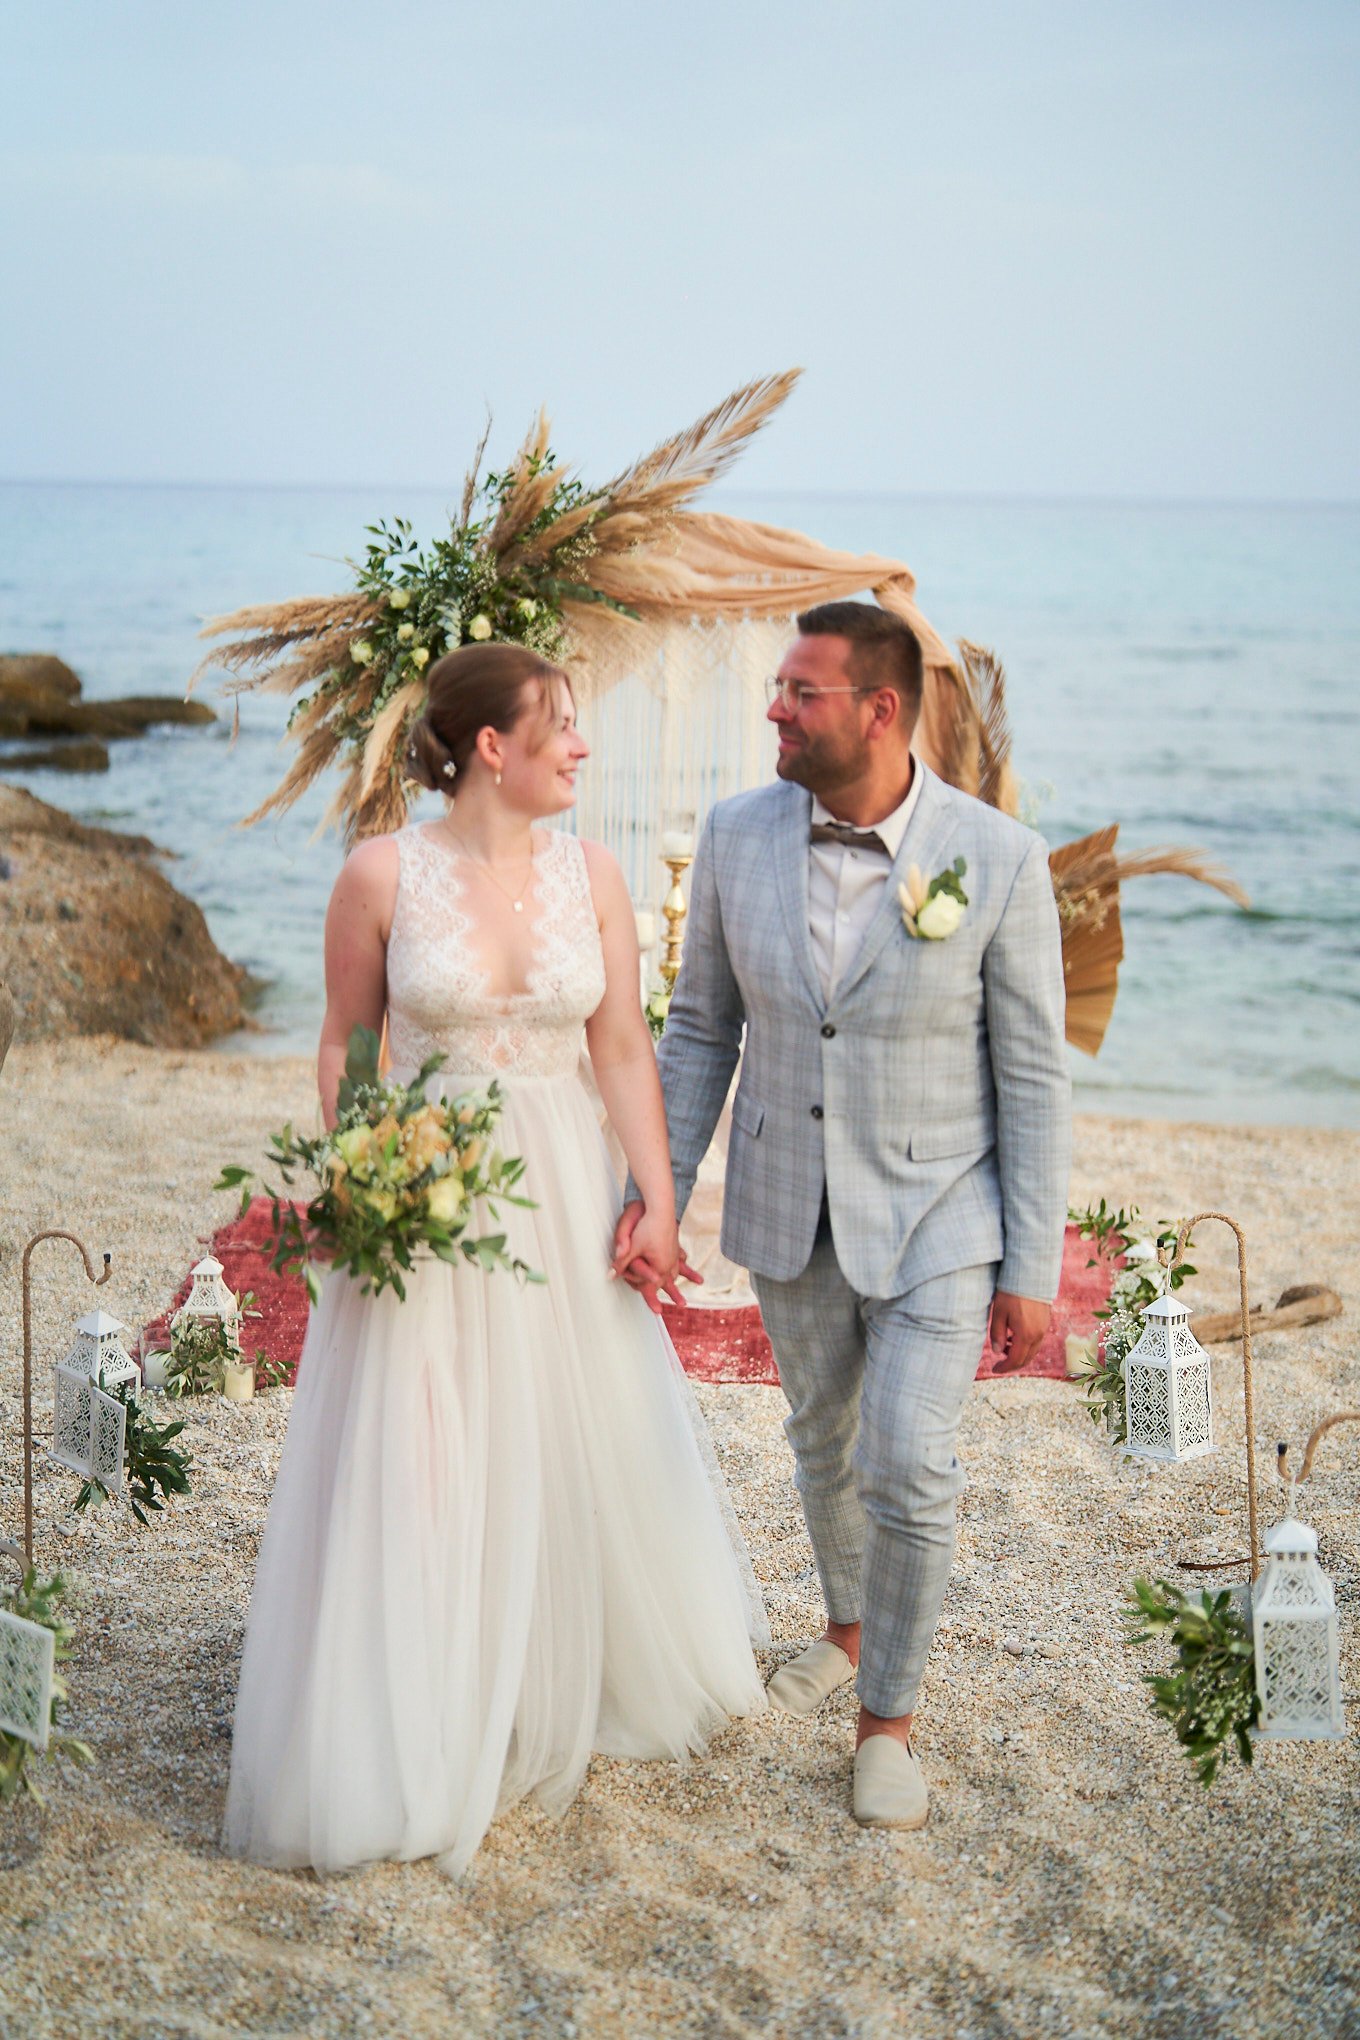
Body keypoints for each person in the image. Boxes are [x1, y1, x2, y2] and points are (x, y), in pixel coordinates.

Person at [224, 642, 767, 1878]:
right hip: (430, 1197)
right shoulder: (379, 874)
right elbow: (348, 1049)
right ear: (490, 748)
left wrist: (659, 1200)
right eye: (561, 726)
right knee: (424, 1446)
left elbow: (624, 1046)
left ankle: (545, 1673)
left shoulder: (597, 874)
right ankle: (416, 1689)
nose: (580, 746)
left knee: (568, 1430)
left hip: (561, 1193)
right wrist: (364, 1173)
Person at [614, 601, 1070, 1831]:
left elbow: (1031, 1073)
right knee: (821, 1440)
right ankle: (847, 1623)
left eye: (797, 691)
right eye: (775, 685)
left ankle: (888, 1723)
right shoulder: (733, 835)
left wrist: (1032, 1262)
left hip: (942, 1212)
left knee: (908, 1460)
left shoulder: (998, 860)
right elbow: (701, 1029)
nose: (771, 706)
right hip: (783, 1197)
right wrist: (649, 1198)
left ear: (878, 710)